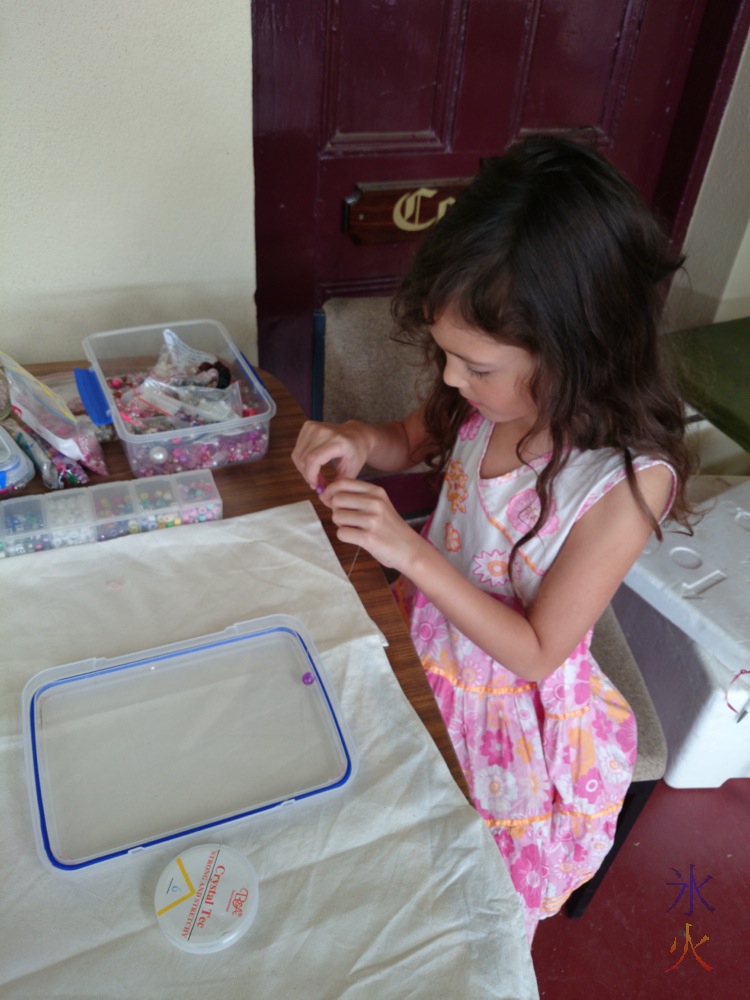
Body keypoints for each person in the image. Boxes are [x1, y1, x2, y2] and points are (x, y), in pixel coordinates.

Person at [292, 133, 696, 942]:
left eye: (472, 364)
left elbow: (540, 650)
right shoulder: (492, 403)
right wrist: (359, 442)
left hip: (508, 707)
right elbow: (413, 438)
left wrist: (411, 553)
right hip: (423, 635)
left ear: (575, 346)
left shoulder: (626, 479)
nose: (450, 380)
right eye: (445, 356)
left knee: (472, 891)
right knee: (378, 827)